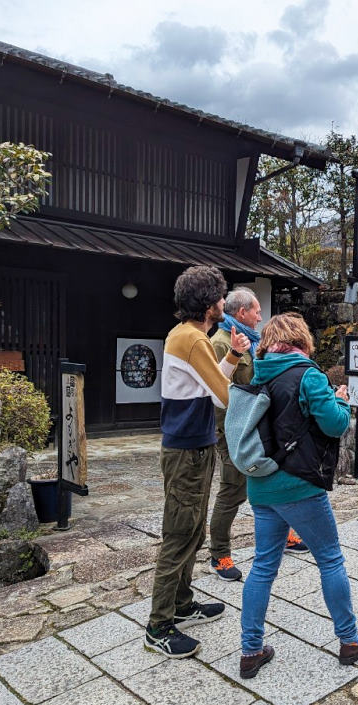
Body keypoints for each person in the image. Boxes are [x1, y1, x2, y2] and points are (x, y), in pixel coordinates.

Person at [234, 313, 358, 678]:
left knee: (263, 566)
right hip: (299, 484)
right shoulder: (307, 374)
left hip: (261, 484)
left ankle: (251, 650)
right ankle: (349, 640)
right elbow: (334, 424)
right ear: (301, 340)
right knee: (330, 559)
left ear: (268, 341)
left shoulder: (255, 370)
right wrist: (341, 401)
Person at [145, 266, 251, 659]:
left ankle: (183, 604)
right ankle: (158, 625)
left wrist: (234, 354)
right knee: (179, 534)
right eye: (222, 298)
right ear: (209, 304)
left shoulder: (188, 337)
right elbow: (223, 396)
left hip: (192, 446)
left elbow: (208, 386)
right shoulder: (193, 340)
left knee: (191, 530)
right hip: (188, 451)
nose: (225, 303)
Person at [209, 288, 307, 583]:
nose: (260, 315)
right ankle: (219, 553)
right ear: (242, 313)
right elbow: (216, 389)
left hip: (259, 426)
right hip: (232, 429)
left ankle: (285, 534)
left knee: (272, 479)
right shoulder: (220, 343)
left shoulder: (254, 342)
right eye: (256, 311)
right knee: (232, 490)